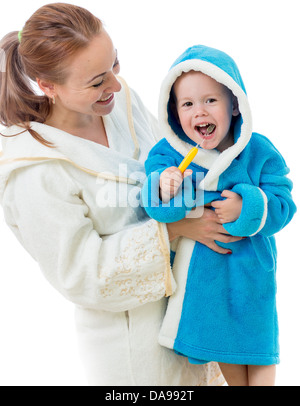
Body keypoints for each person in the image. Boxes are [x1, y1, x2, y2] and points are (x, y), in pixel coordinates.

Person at [0, 3, 233, 386]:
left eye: (115, 64)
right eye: (95, 81)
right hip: (136, 357)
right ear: (48, 86)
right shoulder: (34, 171)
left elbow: (175, 161)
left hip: (196, 321)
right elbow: (81, 275)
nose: (113, 84)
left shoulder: (120, 101)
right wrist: (176, 231)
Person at [141, 44, 297, 386]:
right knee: (225, 349)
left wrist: (248, 206)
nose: (200, 112)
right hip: (204, 275)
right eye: (187, 104)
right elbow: (154, 208)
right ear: (174, 112)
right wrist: (166, 187)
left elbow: (284, 204)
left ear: (235, 103)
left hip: (252, 274)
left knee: (259, 347)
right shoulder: (168, 153)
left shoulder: (259, 150)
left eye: (210, 100)